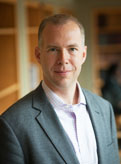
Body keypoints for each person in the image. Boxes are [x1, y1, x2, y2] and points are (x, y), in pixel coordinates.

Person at [0, 14, 120, 164]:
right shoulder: (12, 124)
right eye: (53, 49)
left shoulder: (104, 109)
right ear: (38, 55)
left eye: (72, 49)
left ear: (83, 54)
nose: (63, 59)